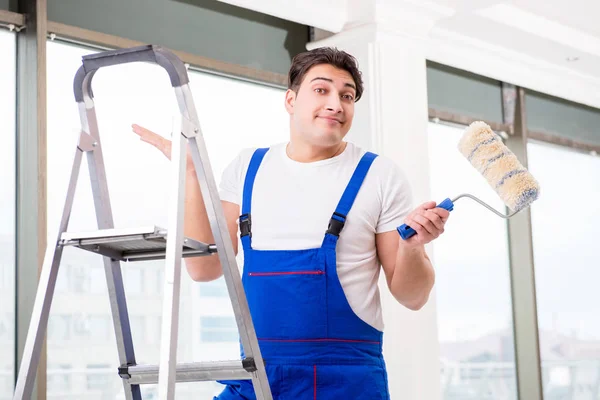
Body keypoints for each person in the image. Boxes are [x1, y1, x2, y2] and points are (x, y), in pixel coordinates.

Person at [132, 47, 449, 400]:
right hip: (256, 377)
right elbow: (204, 268)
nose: (336, 104)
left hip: (345, 383)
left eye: (347, 95)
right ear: (290, 100)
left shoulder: (379, 175)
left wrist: (413, 246)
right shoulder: (248, 168)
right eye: (321, 90)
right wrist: (191, 176)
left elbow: (413, 296)